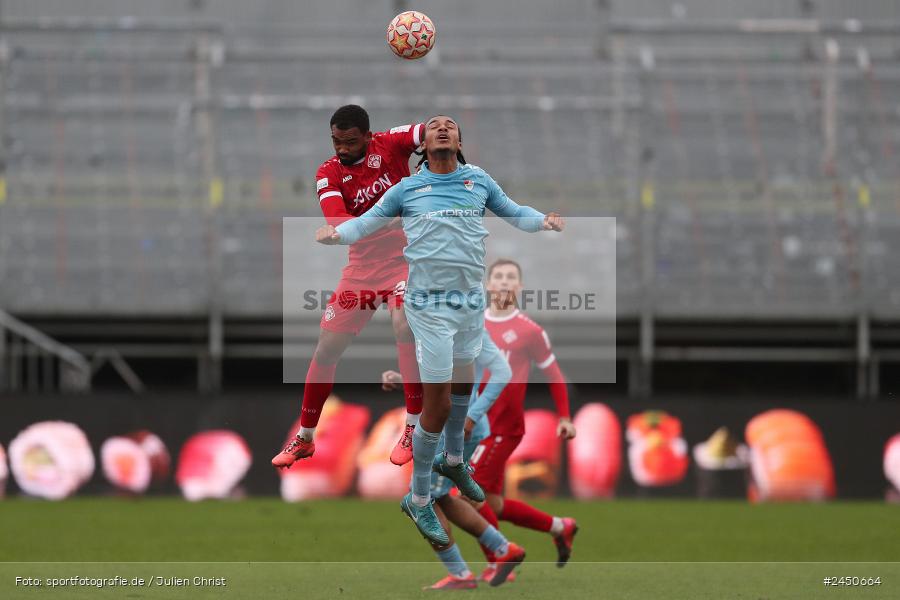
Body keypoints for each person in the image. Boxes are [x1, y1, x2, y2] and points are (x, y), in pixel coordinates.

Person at [316, 114, 564, 546]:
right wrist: (336, 235)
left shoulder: (478, 180)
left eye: (450, 124)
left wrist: (543, 221)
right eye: (434, 126)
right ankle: (417, 497)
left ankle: (452, 460)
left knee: (463, 383)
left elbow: (514, 212)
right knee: (439, 404)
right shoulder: (408, 188)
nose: (443, 128)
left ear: (460, 139)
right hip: (426, 305)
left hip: (468, 300)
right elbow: (365, 222)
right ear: (423, 144)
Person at [272, 105, 426, 469]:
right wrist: (344, 230)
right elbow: (341, 222)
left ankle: (412, 427)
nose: (341, 148)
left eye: (350, 141)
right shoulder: (328, 173)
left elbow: (428, 129)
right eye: (336, 141)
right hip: (362, 268)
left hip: (406, 259)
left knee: (403, 322)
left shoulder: (389, 144)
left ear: (368, 137)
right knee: (326, 349)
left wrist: (439, 138)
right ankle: (306, 437)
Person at [382, 329, 525, 589]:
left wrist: (473, 415)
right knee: (442, 497)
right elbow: (438, 385)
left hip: (452, 429)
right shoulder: (457, 322)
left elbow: (502, 372)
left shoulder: (455, 326)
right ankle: (504, 550)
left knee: (420, 500)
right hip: (454, 427)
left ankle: (460, 574)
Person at [472, 258, 579, 579]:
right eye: (499, 277)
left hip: (503, 427)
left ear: (519, 287)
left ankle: (500, 557)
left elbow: (553, 373)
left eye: (511, 278)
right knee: (492, 502)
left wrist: (564, 416)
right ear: (489, 285)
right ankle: (561, 527)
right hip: (474, 426)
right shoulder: (472, 323)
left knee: (463, 495)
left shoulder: (529, 331)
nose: (504, 282)